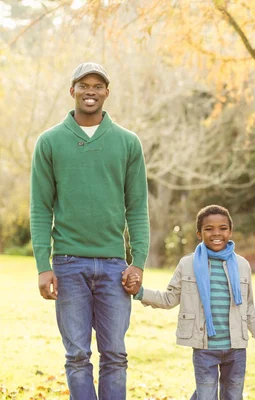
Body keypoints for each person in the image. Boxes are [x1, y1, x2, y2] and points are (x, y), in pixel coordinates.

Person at [29, 62, 149, 399]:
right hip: (67, 264)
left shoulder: (127, 143)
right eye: (84, 85)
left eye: (98, 85)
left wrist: (137, 260)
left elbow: (138, 207)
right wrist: (43, 265)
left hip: (113, 265)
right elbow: (40, 208)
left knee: (115, 355)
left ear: (107, 93)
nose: (91, 91)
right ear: (73, 91)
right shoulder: (50, 142)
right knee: (77, 356)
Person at [131, 205, 255, 400]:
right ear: (199, 233)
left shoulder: (242, 265)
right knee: (206, 394)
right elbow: (169, 298)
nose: (216, 233)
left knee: (233, 395)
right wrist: (140, 292)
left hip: (236, 347)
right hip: (205, 347)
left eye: (223, 228)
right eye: (209, 229)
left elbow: (248, 306)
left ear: (230, 231)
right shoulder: (187, 264)